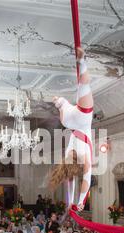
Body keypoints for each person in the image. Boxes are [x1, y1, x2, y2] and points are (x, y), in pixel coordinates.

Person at [50, 47, 93, 212]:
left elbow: (85, 181)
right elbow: (71, 180)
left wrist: (80, 201)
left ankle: (82, 62)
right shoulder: (68, 156)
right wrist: (70, 202)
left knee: (84, 83)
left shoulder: (84, 159)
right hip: (67, 121)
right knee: (63, 102)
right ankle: (59, 102)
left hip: (82, 119)